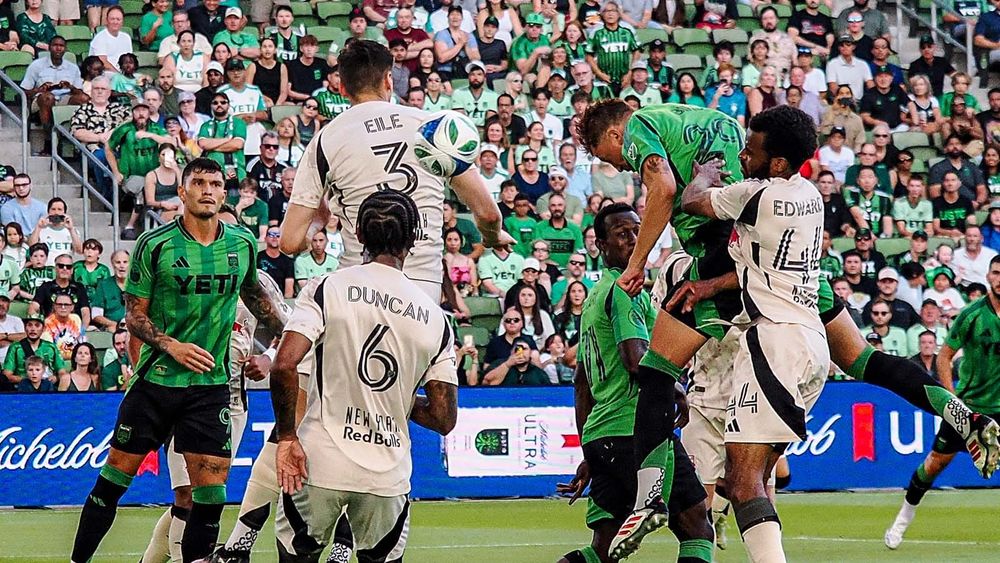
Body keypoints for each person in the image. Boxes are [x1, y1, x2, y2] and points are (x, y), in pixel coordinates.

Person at [69, 158, 285, 563]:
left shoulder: (241, 245)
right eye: (198, 182)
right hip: (156, 384)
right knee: (112, 483)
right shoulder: (156, 245)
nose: (207, 190)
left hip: (211, 389)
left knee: (209, 497)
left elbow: (260, 301)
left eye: (215, 183)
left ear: (225, 193)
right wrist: (172, 345)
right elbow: (134, 315)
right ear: (182, 192)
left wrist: (282, 348)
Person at [271, 190, 457, 562]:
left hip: (318, 463)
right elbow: (443, 417)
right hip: (386, 478)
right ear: (413, 239)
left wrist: (287, 437)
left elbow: (283, 365)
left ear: (357, 232)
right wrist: (398, 398)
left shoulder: (328, 287)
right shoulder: (436, 319)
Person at [280, 40, 510, 303]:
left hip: (359, 289)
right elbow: (489, 214)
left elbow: (289, 242)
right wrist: (493, 237)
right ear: (389, 80)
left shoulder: (325, 139)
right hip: (422, 290)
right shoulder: (430, 126)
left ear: (342, 88)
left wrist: (319, 221)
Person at [559, 202, 712, 563]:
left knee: (602, 550)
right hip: (637, 430)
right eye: (621, 233)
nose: (632, 238)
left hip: (603, 436)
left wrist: (589, 450)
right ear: (600, 245)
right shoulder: (627, 291)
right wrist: (676, 390)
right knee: (697, 529)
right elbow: (636, 359)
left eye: (636, 230)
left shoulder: (595, 296)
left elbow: (582, 382)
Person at [884, 255, 1000, 549]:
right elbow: (944, 356)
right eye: (997, 273)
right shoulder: (973, 313)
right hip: (971, 409)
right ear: (988, 276)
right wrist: (952, 402)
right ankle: (902, 520)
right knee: (934, 465)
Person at [106, 101, 172, 240]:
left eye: (144, 110)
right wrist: (116, 172)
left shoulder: (155, 129)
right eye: (137, 111)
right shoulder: (125, 129)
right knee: (143, 188)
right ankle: (130, 226)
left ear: (149, 113)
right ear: (133, 113)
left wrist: (149, 135)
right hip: (131, 176)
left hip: (154, 175)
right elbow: (108, 147)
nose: (141, 113)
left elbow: (171, 142)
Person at [20, 35, 86, 154]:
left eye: (61, 46)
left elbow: (79, 92)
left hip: (65, 97)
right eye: (55, 45)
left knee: (84, 98)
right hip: (42, 98)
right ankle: (49, 140)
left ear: (65, 49)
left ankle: (80, 137)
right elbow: (24, 90)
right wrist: (40, 89)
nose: (58, 49)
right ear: (49, 48)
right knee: (48, 98)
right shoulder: (36, 65)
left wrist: (70, 86)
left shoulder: (73, 68)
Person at [2, 312, 66, 390]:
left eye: (37, 325)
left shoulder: (50, 347)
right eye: (29, 325)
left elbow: (62, 372)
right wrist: (30, 380)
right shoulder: (16, 347)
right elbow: (7, 375)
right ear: (25, 328)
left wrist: (56, 378)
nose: (33, 329)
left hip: (48, 388)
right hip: (22, 389)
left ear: (43, 329)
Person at [586, 2, 640, 91]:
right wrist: (599, 74)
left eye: (613, 11)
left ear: (619, 14)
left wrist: (630, 73)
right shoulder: (596, 32)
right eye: (606, 11)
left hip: (625, 79)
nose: (610, 14)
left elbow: (637, 51)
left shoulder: (627, 31)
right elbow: (589, 56)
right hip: (603, 79)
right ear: (602, 14)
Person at [90, 250, 129, 331]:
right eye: (118, 262)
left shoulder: (137, 285)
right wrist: (111, 324)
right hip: (112, 329)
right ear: (112, 264)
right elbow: (95, 314)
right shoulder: (104, 285)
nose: (122, 266)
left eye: (125, 262)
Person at [89, 7, 133, 74]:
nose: (115, 22)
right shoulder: (100, 38)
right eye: (112, 19)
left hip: (123, 74)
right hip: (104, 74)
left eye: (118, 19)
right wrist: (119, 76)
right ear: (107, 20)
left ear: (122, 21)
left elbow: (129, 60)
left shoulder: (126, 37)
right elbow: (103, 62)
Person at [257, 226, 294, 298]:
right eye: (271, 234)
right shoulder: (257, 258)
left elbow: (289, 291)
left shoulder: (288, 261)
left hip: (280, 300)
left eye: (278, 235)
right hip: (260, 299)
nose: (275, 238)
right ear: (265, 238)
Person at [72, 239, 111, 303]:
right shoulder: (76, 267)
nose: (89, 252)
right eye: (87, 249)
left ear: (99, 253)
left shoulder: (103, 270)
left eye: (93, 249)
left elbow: (107, 290)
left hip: (97, 303)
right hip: (78, 302)